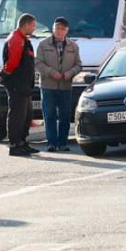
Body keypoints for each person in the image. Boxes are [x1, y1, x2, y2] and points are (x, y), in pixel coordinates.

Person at [35, 17, 82, 152]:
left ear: (66, 31)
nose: (59, 31)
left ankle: (62, 143)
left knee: (65, 115)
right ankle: (51, 143)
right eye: (57, 28)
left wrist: (70, 73)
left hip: (65, 87)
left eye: (62, 29)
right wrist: (51, 72)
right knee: (49, 114)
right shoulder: (43, 45)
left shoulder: (73, 46)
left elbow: (78, 65)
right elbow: (38, 63)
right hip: (48, 85)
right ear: (53, 29)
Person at [0, 13, 40, 157]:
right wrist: (6, 75)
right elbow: (12, 63)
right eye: (33, 25)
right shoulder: (16, 39)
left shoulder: (23, 39)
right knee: (17, 115)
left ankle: (22, 142)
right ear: (26, 24)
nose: (34, 28)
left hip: (24, 85)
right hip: (17, 84)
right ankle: (14, 144)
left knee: (27, 115)